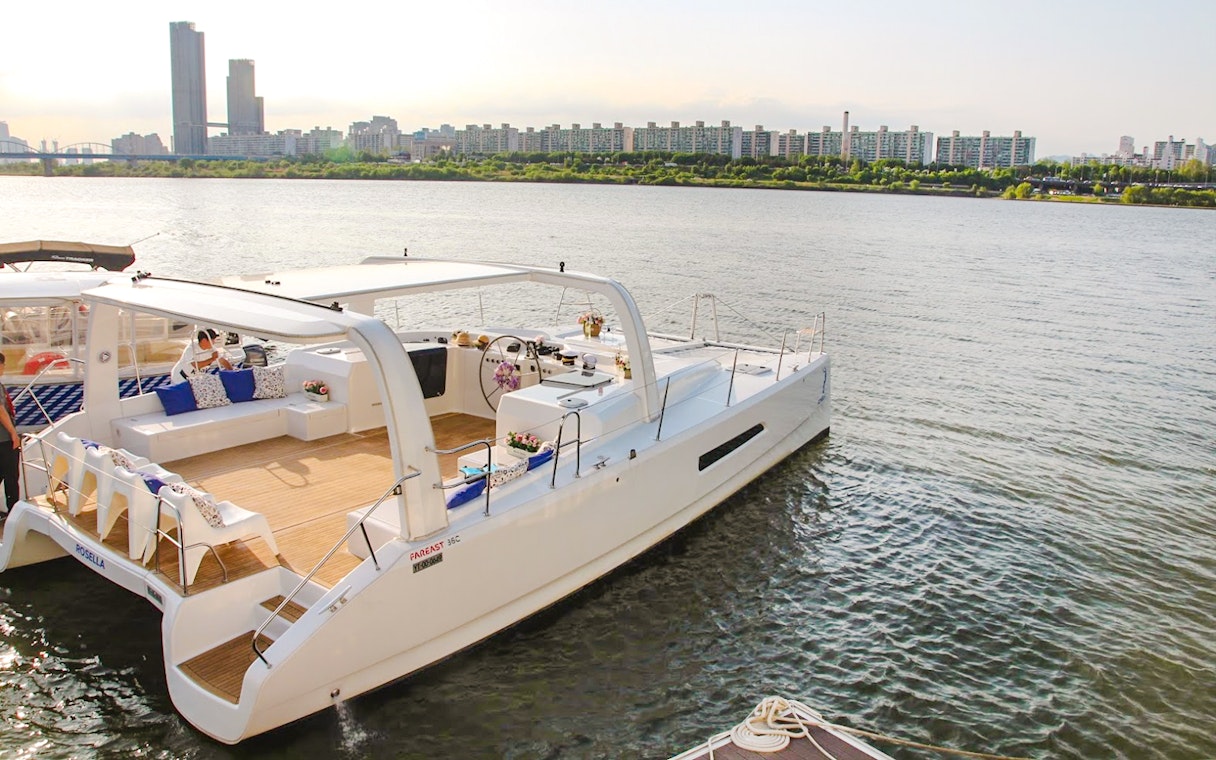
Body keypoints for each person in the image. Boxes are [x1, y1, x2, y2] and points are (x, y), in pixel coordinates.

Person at [0, 353, 21, 517]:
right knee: (11, 477)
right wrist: (13, 434)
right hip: (4, 440)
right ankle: (14, 512)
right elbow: (1, 410)